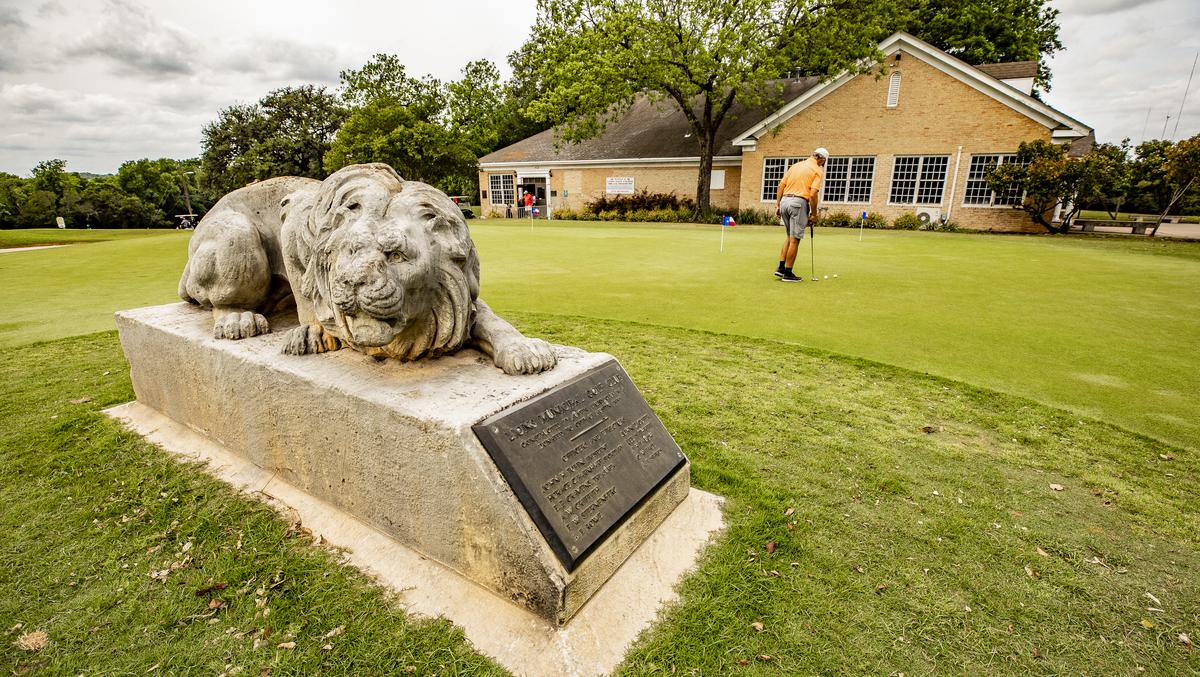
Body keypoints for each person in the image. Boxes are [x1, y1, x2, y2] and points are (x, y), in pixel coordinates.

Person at [774, 147, 828, 282]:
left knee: (789, 236)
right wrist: (814, 214)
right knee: (795, 239)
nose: (822, 164)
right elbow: (813, 193)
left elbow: (780, 186)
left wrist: (778, 205)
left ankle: (781, 268)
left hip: (785, 201)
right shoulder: (817, 170)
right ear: (821, 159)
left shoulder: (796, 165)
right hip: (798, 203)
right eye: (824, 162)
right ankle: (788, 273)